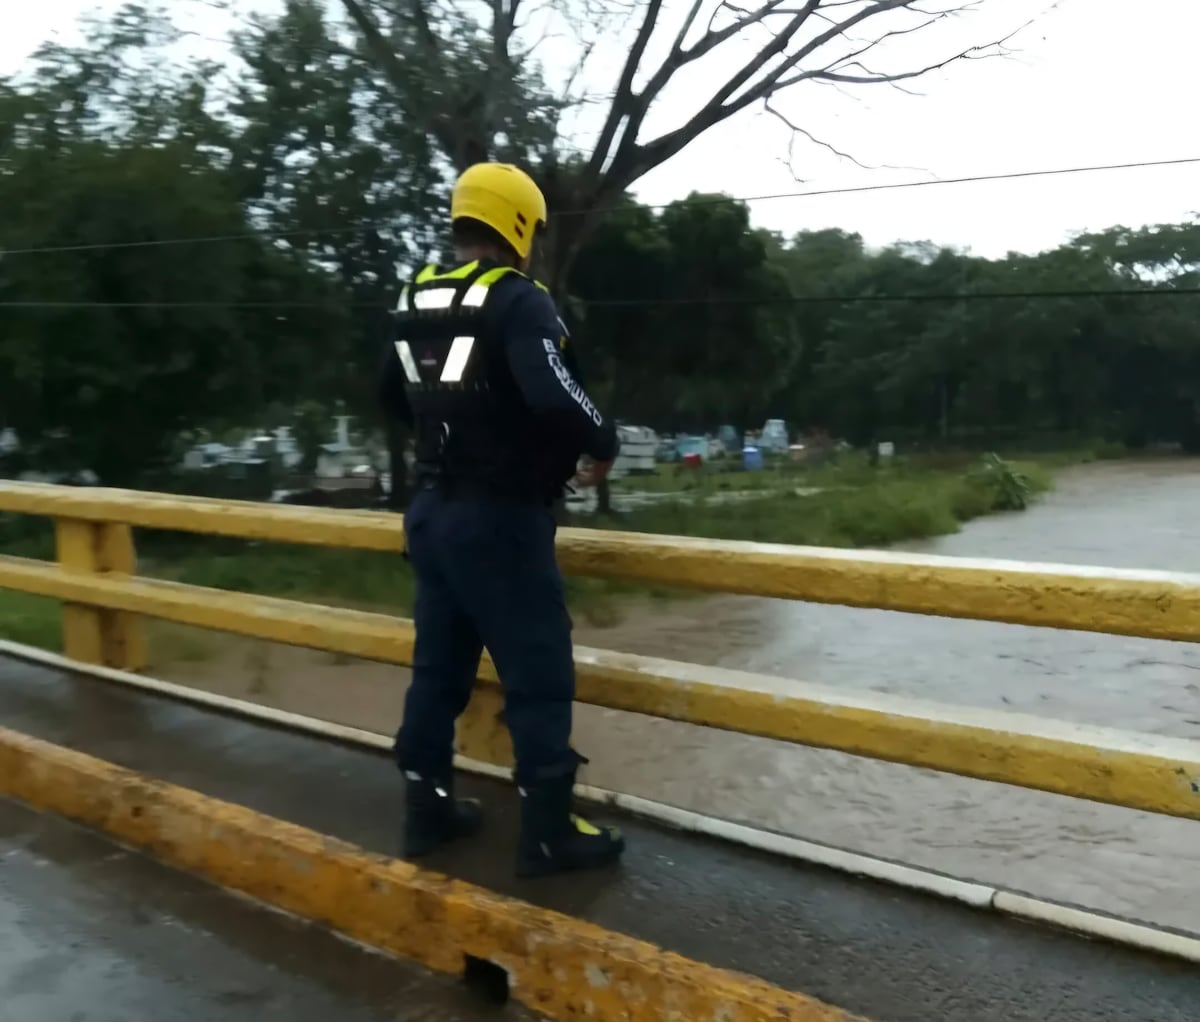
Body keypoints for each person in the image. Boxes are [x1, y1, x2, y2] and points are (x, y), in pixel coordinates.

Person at [378, 161, 625, 878]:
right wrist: (601, 442)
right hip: (502, 523)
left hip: (431, 516)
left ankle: (426, 811)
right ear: (519, 225)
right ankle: (548, 834)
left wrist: (448, 445)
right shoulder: (518, 301)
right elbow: (554, 394)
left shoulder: (414, 296)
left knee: (438, 670)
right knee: (538, 673)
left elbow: (388, 394)